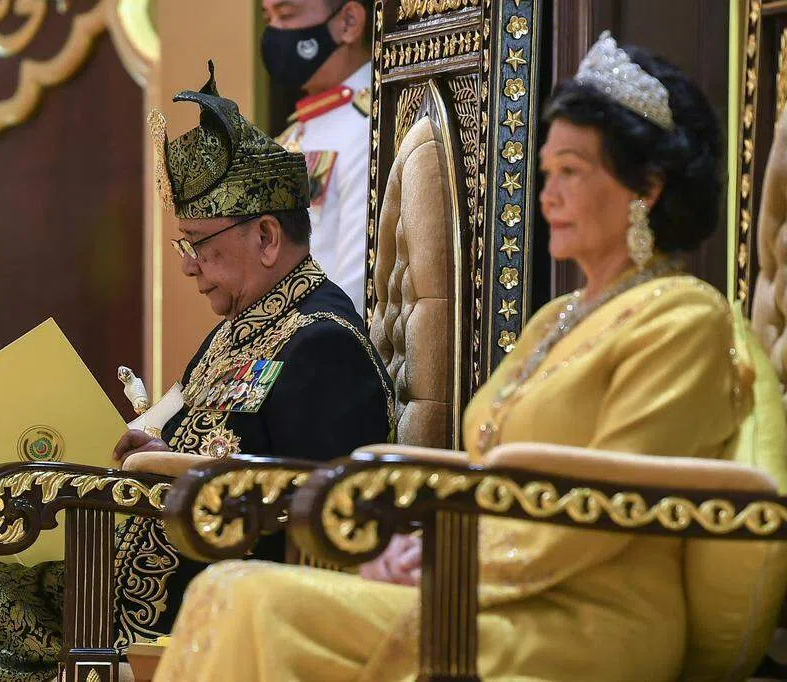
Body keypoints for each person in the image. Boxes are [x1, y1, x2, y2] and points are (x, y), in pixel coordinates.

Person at [151, 32, 755, 682]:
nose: (547, 194)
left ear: (649, 188)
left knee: (246, 596)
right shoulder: (554, 321)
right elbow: (487, 476)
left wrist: (447, 559)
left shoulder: (684, 319)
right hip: (487, 590)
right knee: (229, 590)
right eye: (546, 172)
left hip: (587, 617)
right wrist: (414, 544)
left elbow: (614, 503)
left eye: (572, 171)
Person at [0, 62, 395, 682]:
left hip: (175, 612)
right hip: (105, 574)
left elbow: (323, 515)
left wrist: (177, 470)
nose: (188, 266)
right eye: (182, 246)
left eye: (197, 243)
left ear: (266, 236)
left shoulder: (324, 344)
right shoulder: (243, 325)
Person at [264, 0, 373, 315]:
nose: (274, 33)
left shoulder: (371, 123)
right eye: (268, 18)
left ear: (348, 22)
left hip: (328, 335)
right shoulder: (298, 131)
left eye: (286, 15)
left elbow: (357, 284)